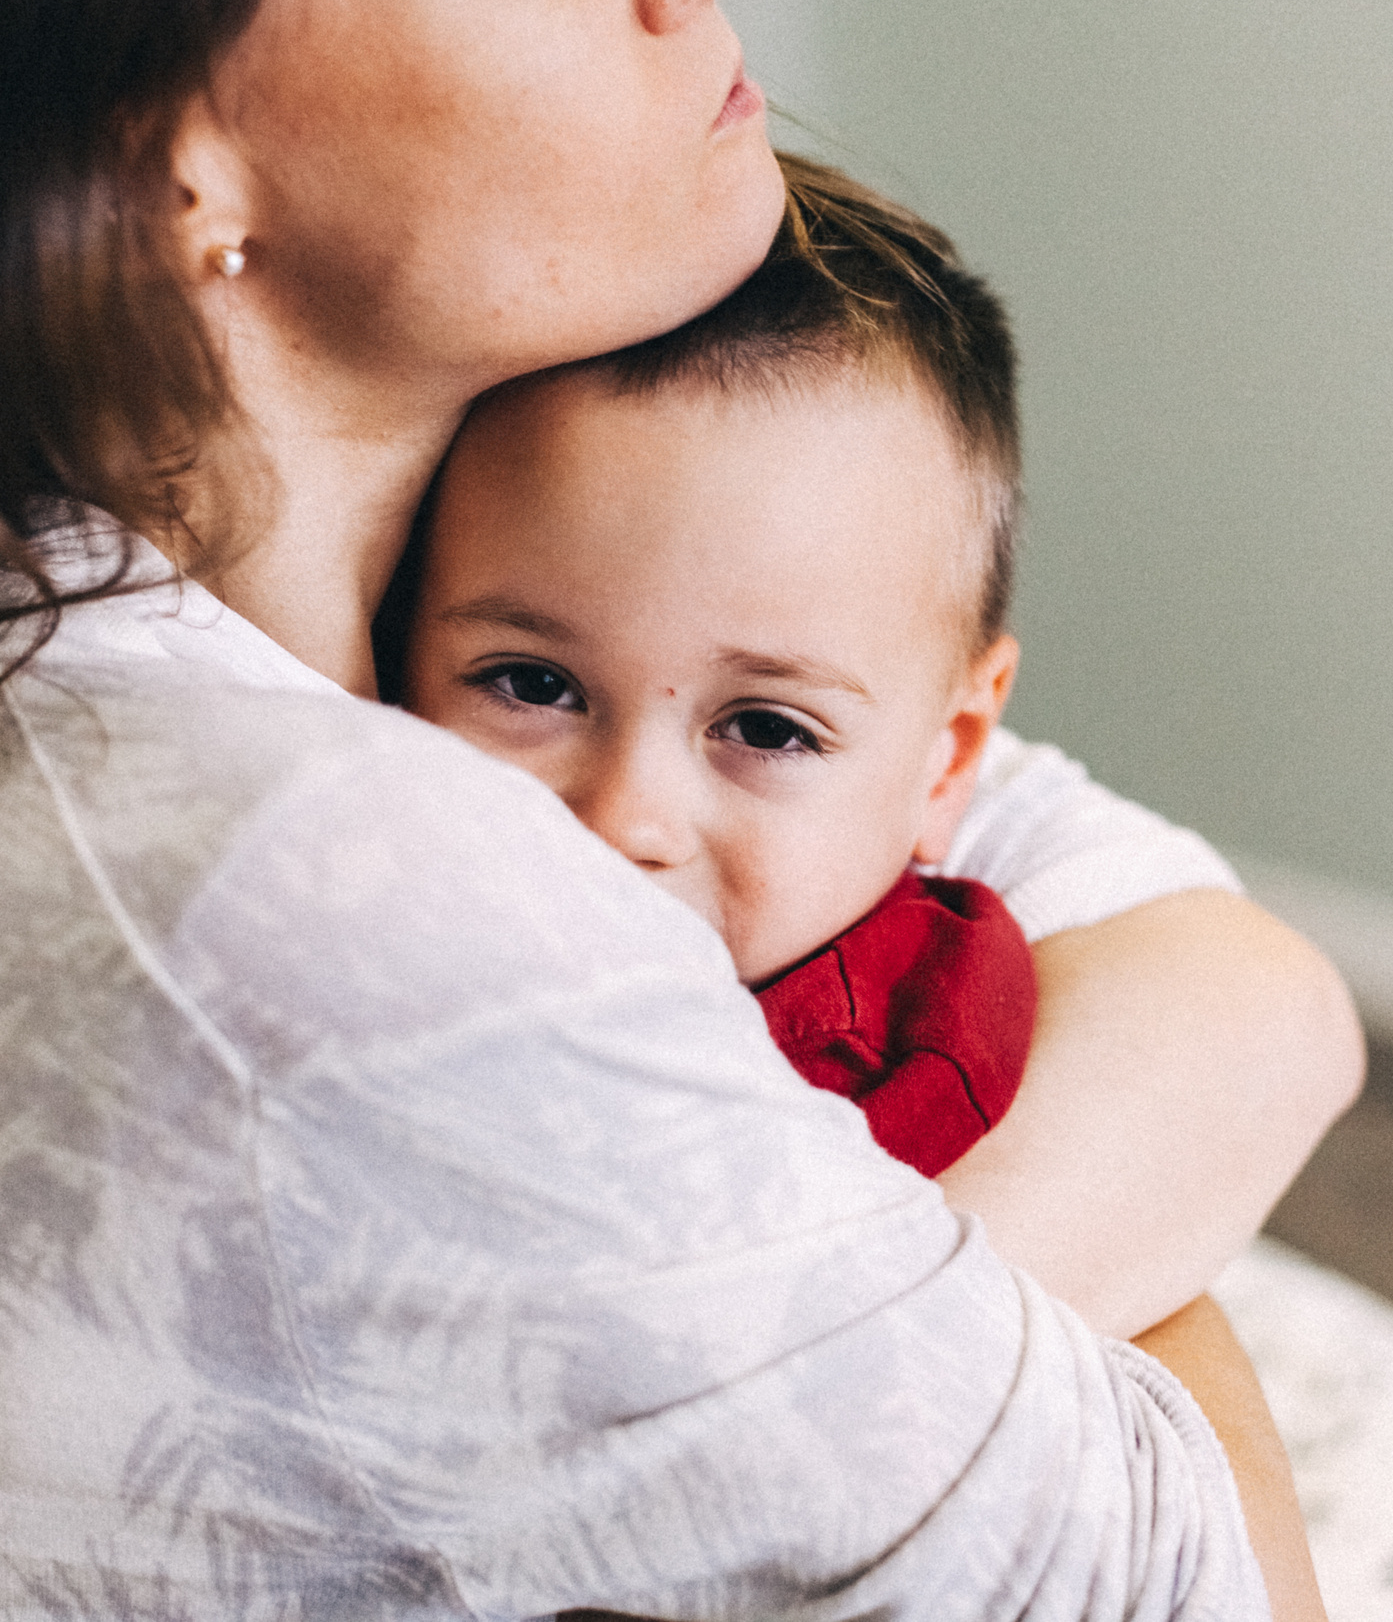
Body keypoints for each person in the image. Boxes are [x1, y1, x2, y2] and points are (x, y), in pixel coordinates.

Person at [0, 0, 1361, 1615]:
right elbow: (1201, 1572)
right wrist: (955, 1360)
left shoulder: (78, 632)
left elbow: (1243, 985)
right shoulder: (332, 891)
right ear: (175, 169)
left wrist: (906, 1321)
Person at [399, 156, 1061, 1178]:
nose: (624, 821)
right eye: (531, 684)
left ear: (944, 763)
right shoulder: (354, 938)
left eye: (765, 728)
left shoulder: (910, 1059)